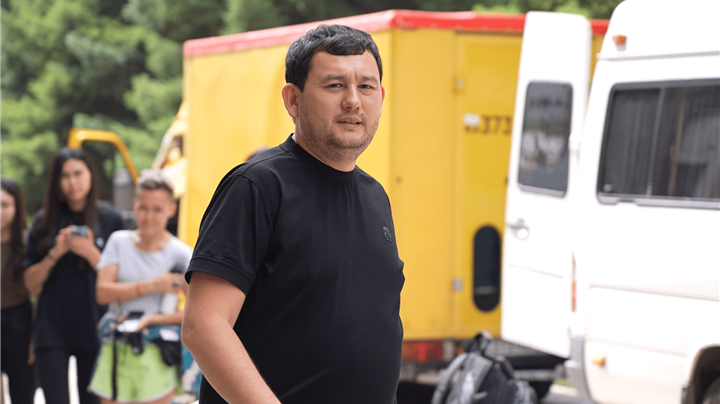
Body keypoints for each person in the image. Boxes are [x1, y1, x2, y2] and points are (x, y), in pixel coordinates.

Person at [182, 24, 405, 403]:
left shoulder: (375, 197)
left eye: (366, 86)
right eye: (335, 85)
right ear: (293, 100)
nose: (353, 101)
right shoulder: (257, 187)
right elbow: (204, 325)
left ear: (380, 97)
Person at [23, 148, 124, 404]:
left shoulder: (111, 219)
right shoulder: (44, 221)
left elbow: (120, 280)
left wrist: (90, 252)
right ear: (56, 182)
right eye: (65, 175)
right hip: (51, 328)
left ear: (90, 175)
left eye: (78, 173)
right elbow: (30, 283)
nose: (72, 182)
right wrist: (55, 253)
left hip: (95, 325)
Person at [90, 170, 192, 404]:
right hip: (117, 347)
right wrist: (152, 285)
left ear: (171, 209)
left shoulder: (182, 253)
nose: (149, 217)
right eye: (143, 208)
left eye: (157, 209)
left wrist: (152, 319)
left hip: (157, 350)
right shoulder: (118, 241)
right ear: (134, 205)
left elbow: (195, 312)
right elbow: (102, 292)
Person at [0, 178, 35, 404]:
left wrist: (35, 337)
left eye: (4, 205)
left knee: (22, 394)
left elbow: (39, 291)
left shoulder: (28, 241)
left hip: (20, 323)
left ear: (16, 206)